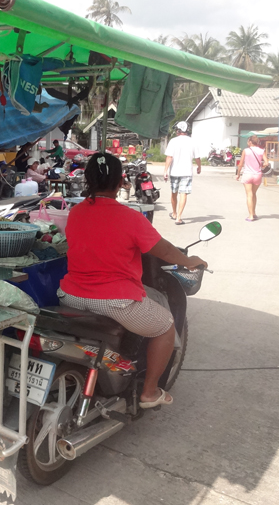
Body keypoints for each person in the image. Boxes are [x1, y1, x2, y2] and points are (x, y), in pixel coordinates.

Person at [59, 153, 207, 408]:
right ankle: (149, 392)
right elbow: (164, 251)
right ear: (120, 182)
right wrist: (188, 260)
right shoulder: (130, 217)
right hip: (113, 301)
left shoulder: (75, 213)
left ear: (88, 180)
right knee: (165, 326)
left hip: (70, 295)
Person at [163, 121, 201, 225]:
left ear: (178, 130)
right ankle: (178, 217)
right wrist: (199, 167)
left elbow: (169, 157)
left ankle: (174, 213)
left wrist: (165, 170)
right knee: (183, 194)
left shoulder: (173, 141)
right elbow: (197, 157)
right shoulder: (192, 142)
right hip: (187, 172)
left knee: (174, 193)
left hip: (174, 172)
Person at [235, 135, 270, 221]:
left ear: (250, 142)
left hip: (247, 174)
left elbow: (241, 164)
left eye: (248, 141)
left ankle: (250, 215)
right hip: (257, 175)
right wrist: (263, 165)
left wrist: (238, 174)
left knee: (249, 195)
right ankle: (254, 213)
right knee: (254, 194)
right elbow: (266, 163)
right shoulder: (262, 151)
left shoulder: (246, 151)